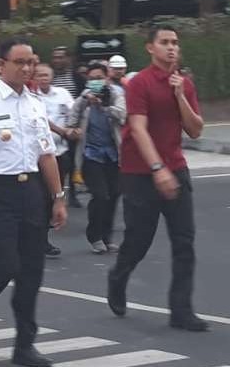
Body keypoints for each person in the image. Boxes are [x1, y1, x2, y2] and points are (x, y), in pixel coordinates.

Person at [0, 37, 68, 367]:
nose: (27, 68)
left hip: (31, 191)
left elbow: (46, 154)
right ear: (3, 64)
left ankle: (25, 344)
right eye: (19, 62)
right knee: (6, 263)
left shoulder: (35, 103)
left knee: (32, 272)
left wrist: (58, 197)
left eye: (31, 62)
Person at [107, 25, 208, 332]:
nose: (171, 48)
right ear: (151, 48)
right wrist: (156, 168)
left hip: (176, 167)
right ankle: (118, 277)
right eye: (165, 42)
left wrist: (180, 96)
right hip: (141, 173)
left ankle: (181, 310)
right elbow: (137, 129)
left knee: (184, 241)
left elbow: (196, 129)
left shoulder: (184, 84)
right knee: (138, 241)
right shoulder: (139, 83)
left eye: (175, 43)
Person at [68, 62, 126, 254]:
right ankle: (94, 236)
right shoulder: (83, 99)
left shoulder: (116, 94)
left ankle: (107, 237)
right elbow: (72, 120)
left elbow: (123, 115)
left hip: (112, 154)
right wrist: (74, 129)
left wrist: (104, 106)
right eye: (91, 79)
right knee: (100, 195)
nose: (95, 82)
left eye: (99, 78)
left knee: (114, 195)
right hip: (90, 155)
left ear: (106, 77)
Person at [34, 63, 75, 258]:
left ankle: (44, 232)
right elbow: (41, 120)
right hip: (40, 156)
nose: (43, 78)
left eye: (46, 75)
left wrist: (73, 129)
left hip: (61, 151)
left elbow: (73, 113)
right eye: (39, 75)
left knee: (56, 194)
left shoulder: (62, 94)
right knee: (42, 197)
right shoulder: (32, 97)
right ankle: (40, 241)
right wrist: (62, 131)